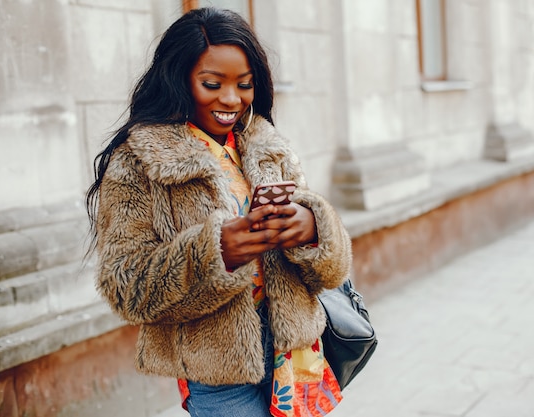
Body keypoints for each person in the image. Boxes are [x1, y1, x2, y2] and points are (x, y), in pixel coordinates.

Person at [85, 7, 352, 417]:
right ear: (179, 79)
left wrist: (313, 229)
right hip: (219, 372)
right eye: (212, 83)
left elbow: (332, 272)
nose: (231, 99)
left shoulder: (266, 144)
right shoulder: (138, 161)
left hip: (296, 356)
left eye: (244, 85)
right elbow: (126, 287)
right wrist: (216, 253)